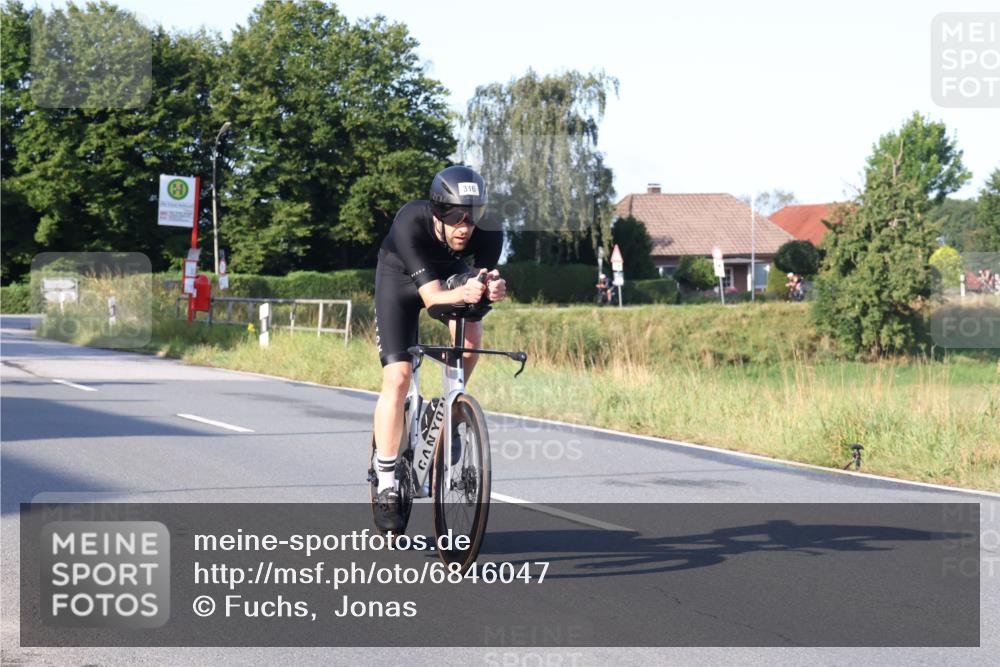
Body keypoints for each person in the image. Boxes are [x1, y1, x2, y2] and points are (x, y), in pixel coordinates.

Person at [371, 165, 507, 532]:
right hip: (399, 281)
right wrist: (464, 292)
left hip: (449, 276)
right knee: (398, 377)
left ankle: (450, 414)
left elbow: (476, 291)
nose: (465, 225)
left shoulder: (489, 233)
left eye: (473, 215)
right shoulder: (410, 222)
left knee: (472, 334)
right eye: (455, 216)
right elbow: (432, 300)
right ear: (437, 212)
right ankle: (385, 479)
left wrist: (489, 290)